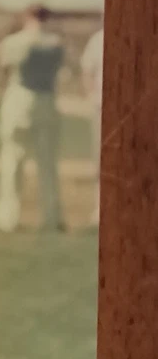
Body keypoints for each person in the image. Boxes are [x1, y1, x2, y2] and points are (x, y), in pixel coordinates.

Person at [0, 3, 66, 232]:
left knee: (13, 160)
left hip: (19, 99)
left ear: (27, 17)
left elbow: (2, 68)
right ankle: (51, 218)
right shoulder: (56, 44)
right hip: (45, 101)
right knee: (47, 164)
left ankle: (8, 219)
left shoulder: (14, 41)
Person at [80, 24, 104, 227]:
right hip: (102, 107)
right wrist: (91, 97)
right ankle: (100, 207)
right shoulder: (99, 39)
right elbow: (87, 70)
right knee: (101, 158)